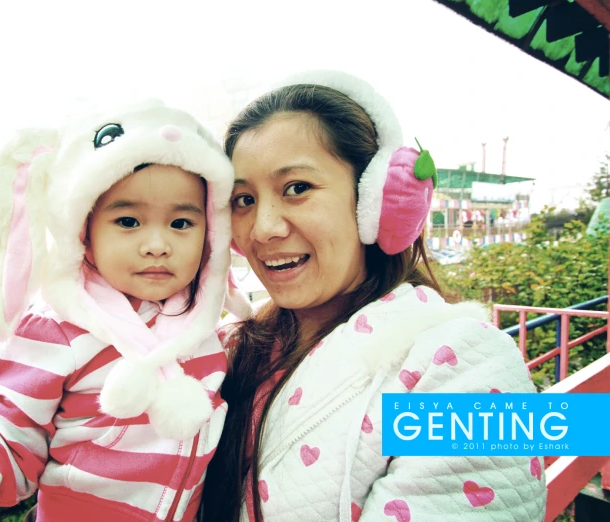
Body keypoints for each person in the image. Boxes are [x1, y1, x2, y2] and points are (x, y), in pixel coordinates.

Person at [0, 100, 250, 521]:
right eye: (128, 221)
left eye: (181, 223)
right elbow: (10, 449)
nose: (157, 244)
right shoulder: (54, 329)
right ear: (83, 230)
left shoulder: (200, 322)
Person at [201, 71, 547, 522]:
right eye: (243, 199)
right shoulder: (227, 350)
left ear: (376, 199)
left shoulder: (467, 366)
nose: (263, 227)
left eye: (297, 188)